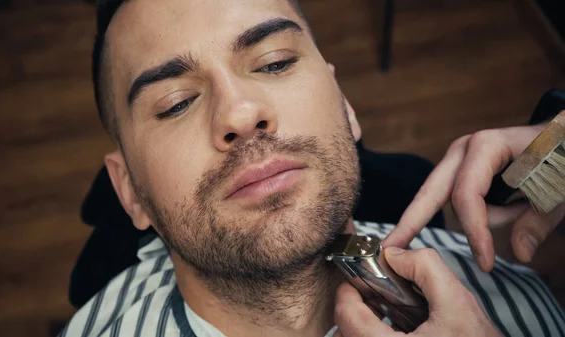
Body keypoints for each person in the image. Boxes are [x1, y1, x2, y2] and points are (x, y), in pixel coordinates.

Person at [59, 0, 565, 336]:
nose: (240, 113)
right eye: (175, 103)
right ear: (128, 192)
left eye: (275, 62)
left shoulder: (517, 287)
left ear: (345, 105)